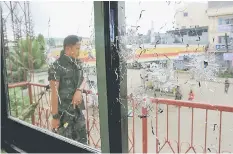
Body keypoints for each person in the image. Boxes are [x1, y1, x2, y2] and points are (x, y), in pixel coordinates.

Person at [48, 35, 87, 144]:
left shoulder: (77, 63)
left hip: (77, 112)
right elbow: (54, 93)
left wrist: (79, 90)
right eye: (77, 48)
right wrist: (55, 117)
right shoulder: (56, 66)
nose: (80, 51)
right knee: (66, 146)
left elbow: (84, 78)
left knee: (83, 145)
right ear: (68, 48)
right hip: (63, 115)